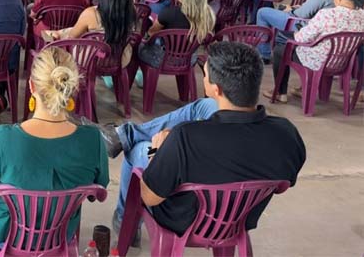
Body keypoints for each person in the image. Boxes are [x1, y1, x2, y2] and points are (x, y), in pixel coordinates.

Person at [107, 42, 305, 245]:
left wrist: (156, 153)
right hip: (241, 218)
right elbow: (282, 186)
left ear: (216, 89)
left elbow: (149, 197)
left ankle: (125, 223)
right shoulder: (288, 134)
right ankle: (125, 135)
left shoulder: (185, 138)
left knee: (138, 150)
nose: (203, 77)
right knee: (205, 106)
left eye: (205, 74)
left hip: (186, 221)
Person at [0, 47, 108, 247]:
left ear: (32, 86)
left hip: (8, 236)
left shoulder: (4, 139)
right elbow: (99, 189)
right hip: (60, 234)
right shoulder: (92, 140)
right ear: (72, 88)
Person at [268, 0, 364, 103]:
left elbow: (302, 38)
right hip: (343, 62)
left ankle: (281, 93)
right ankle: (308, 90)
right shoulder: (362, 15)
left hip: (317, 61)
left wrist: (297, 33)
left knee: (280, 49)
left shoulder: (327, 14)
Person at [44, 0, 136, 70]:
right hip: (121, 59)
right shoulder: (132, 11)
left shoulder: (91, 13)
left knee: (57, 39)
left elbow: (72, 37)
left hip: (92, 60)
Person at [138, 0, 215, 75]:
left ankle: (140, 76)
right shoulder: (209, 15)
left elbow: (151, 33)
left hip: (163, 59)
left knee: (139, 46)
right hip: (190, 60)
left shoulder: (168, 13)